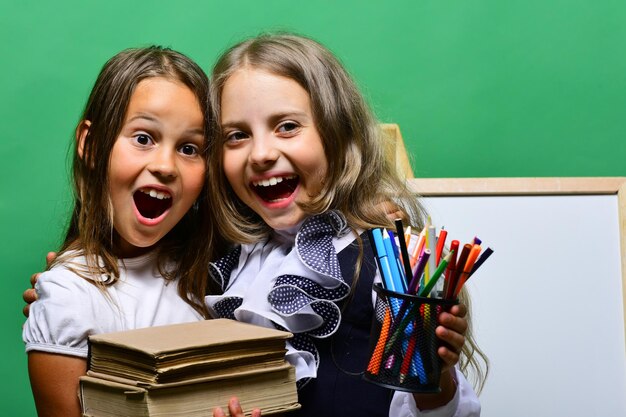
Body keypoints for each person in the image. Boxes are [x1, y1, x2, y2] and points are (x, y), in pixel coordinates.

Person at [203, 33, 488, 417]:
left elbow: (438, 410)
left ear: (338, 133)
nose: (261, 153)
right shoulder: (227, 266)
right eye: (237, 136)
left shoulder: (386, 261)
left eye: (287, 126)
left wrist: (436, 374)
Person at [21, 46, 255, 417]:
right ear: (92, 145)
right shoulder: (68, 297)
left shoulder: (220, 271)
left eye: (189, 147)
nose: (165, 165)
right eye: (144, 138)